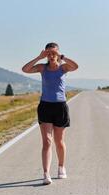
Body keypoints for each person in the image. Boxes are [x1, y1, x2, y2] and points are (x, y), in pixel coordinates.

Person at [22, 42, 78, 185]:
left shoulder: (63, 68)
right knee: (47, 141)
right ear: (46, 55)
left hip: (60, 107)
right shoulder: (42, 68)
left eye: (54, 53)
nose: (52, 56)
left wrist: (61, 56)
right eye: (49, 53)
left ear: (58, 53)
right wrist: (39, 57)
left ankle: (61, 167)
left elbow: (75, 66)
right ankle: (46, 174)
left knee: (59, 141)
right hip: (45, 106)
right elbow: (25, 69)